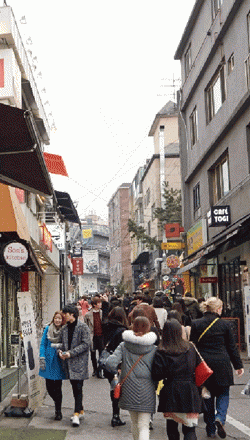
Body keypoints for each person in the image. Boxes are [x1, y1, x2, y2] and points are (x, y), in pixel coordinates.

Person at [190, 296, 244, 438]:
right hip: (222, 364)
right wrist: (238, 365)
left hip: (204, 364)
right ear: (218, 309)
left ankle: (210, 429)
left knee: (207, 396)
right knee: (223, 393)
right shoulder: (225, 325)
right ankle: (220, 417)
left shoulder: (196, 324)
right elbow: (232, 347)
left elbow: (192, 346)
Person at [105, 316, 157, 440]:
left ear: (133, 327)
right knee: (144, 425)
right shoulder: (154, 349)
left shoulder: (124, 346)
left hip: (129, 387)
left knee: (134, 423)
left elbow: (109, 363)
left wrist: (118, 370)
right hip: (147, 389)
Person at [151, 319, 203, 440]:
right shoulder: (190, 347)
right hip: (190, 389)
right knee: (190, 428)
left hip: (171, 390)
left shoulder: (162, 350)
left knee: (172, 427)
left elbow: (157, 374)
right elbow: (199, 367)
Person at [59, 304, 91, 427]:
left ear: (72, 314)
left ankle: (76, 413)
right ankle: (81, 410)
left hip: (79, 362)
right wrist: (60, 352)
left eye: (65, 314)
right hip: (68, 362)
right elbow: (62, 344)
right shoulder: (65, 329)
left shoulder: (82, 327)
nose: (63, 316)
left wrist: (70, 353)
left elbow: (86, 344)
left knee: (78, 387)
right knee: (75, 387)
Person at [102, 306, 128, 427]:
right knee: (116, 388)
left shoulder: (105, 326)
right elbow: (121, 350)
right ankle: (115, 416)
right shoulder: (122, 331)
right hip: (116, 363)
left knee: (113, 387)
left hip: (106, 360)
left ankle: (115, 415)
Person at [39, 311, 66, 420]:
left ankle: (58, 411)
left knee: (58, 387)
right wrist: (42, 356)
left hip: (59, 360)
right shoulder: (47, 329)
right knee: (49, 387)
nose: (58, 320)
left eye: (60, 318)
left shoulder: (65, 330)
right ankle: (57, 401)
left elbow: (67, 344)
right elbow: (43, 344)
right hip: (48, 360)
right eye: (56, 318)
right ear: (53, 319)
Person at [84, 296, 104, 378]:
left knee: (101, 354)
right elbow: (85, 326)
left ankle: (100, 370)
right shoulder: (88, 315)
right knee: (93, 354)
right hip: (92, 336)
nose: (100, 304)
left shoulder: (102, 313)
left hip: (101, 336)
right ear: (95, 305)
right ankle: (95, 369)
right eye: (99, 303)